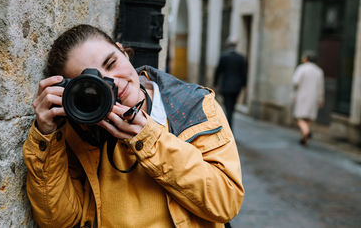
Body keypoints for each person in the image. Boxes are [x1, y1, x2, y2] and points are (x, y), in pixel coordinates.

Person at [23, 24, 244, 228]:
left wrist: (149, 139)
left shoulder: (193, 106)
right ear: (74, 92)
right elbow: (59, 221)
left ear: (123, 52)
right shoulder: (81, 133)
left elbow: (226, 203)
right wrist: (46, 135)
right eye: (95, 83)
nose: (114, 83)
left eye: (111, 63)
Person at [292, 51, 324, 146]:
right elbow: (321, 87)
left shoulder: (302, 69)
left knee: (299, 118)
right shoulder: (319, 71)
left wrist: (294, 95)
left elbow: (295, 82)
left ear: (306, 59)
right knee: (308, 118)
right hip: (313, 97)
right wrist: (320, 99)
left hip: (302, 95)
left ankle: (306, 132)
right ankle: (305, 139)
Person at [213, 41, 247, 128]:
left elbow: (218, 71)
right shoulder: (241, 58)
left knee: (227, 106)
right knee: (232, 106)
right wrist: (244, 85)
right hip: (236, 87)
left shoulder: (224, 57)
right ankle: (229, 122)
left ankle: (228, 124)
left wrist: (215, 83)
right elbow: (244, 73)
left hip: (226, 86)